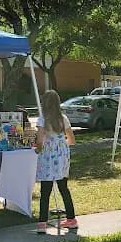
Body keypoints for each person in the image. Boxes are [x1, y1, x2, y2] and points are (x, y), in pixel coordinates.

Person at [35, 90, 77, 234]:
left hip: (48, 156)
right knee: (63, 187)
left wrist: (38, 149)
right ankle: (71, 219)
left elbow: (40, 140)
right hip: (62, 155)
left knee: (45, 190)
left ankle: (42, 222)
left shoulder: (43, 119)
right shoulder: (63, 118)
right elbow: (72, 139)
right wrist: (61, 144)